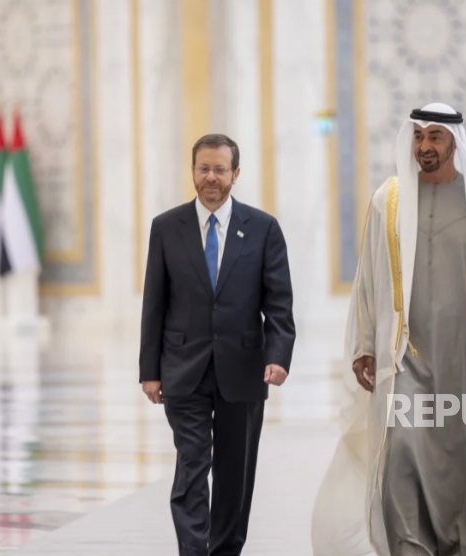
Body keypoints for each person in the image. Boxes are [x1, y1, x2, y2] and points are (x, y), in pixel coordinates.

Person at [311, 103, 466, 556]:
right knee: (400, 460)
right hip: (403, 360)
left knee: (458, 471)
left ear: (454, 142)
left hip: (462, 364)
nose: (425, 147)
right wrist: (363, 346)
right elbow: (367, 282)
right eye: (418, 137)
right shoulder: (387, 201)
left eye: (435, 137)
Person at [139, 133, 296, 556]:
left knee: (234, 474)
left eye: (220, 169)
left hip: (243, 369)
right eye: (203, 168)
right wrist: (149, 371)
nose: (211, 177)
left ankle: (225, 550)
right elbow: (153, 303)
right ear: (193, 172)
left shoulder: (263, 228)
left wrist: (278, 356)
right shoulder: (166, 228)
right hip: (183, 368)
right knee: (192, 464)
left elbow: (278, 302)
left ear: (235, 174)